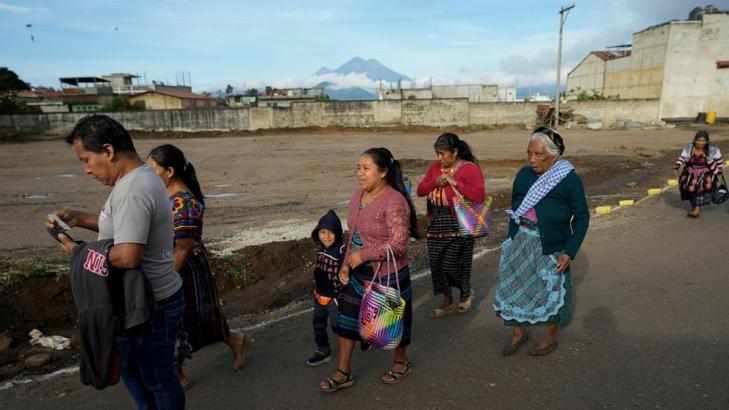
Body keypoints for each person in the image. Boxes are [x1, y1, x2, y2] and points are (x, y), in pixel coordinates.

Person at [46, 115, 185, 409]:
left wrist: (79, 252)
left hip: (150, 306)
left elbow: (128, 255)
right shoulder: (139, 177)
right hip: (144, 300)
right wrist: (78, 218)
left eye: (86, 159)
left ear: (108, 151)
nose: (85, 170)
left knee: (157, 379)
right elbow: (125, 228)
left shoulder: (132, 190)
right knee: (137, 372)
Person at [147, 144, 251, 388]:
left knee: (178, 319)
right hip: (175, 264)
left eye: (152, 170)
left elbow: (183, 247)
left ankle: (177, 374)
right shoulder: (166, 196)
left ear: (169, 171)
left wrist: (165, 280)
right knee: (198, 317)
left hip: (185, 267)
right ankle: (236, 341)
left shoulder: (183, 203)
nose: (147, 175)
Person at [319, 147, 419, 392]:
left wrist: (361, 256)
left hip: (388, 273)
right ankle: (343, 372)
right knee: (347, 320)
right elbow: (352, 234)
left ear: (383, 172)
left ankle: (399, 362)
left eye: (366, 168)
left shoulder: (395, 202)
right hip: (358, 273)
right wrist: (346, 264)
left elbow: (398, 244)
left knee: (392, 321)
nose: (360, 174)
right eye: (358, 168)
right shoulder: (357, 196)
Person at [493, 127, 589, 357]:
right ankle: (519, 332)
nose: (533, 160)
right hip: (521, 240)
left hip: (552, 245)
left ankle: (549, 337)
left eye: (539, 155)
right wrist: (510, 240)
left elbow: (583, 217)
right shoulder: (524, 175)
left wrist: (570, 251)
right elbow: (516, 208)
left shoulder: (569, 180)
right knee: (516, 287)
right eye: (530, 154)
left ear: (554, 155)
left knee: (552, 290)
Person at [416, 133, 485, 317]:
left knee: (452, 263)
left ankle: (465, 292)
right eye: (437, 153)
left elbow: (479, 196)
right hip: (437, 220)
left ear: (455, 152)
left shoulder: (470, 169)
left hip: (459, 220)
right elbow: (420, 190)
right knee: (437, 265)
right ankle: (447, 301)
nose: (439, 158)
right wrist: (434, 183)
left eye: (443, 154)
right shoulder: (435, 168)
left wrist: (456, 182)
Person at [306, 210, 345, 367]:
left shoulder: (342, 250)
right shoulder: (321, 250)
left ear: (338, 233)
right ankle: (323, 351)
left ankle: (361, 338)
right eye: (323, 232)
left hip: (335, 298)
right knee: (318, 325)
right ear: (317, 233)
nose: (327, 236)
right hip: (319, 296)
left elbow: (346, 273)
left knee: (339, 327)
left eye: (331, 232)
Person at [674, 131, 724, 218]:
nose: (700, 143)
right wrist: (676, 166)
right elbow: (682, 157)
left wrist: (719, 173)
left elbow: (719, 162)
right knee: (689, 191)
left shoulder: (713, 150)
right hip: (690, 174)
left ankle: (696, 210)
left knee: (699, 192)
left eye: (703, 140)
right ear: (695, 140)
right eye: (698, 140)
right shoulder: (689, 147)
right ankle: (694, 206)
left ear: (707, 141)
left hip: (705, 175)